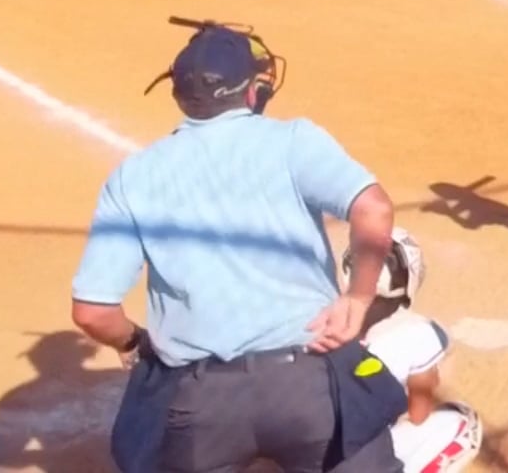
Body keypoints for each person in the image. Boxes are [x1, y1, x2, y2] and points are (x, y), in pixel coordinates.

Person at [70, 24, 402, 473]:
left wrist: (133, 342)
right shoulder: (294, 141)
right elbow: (374, 210)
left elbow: (92, 311)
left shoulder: (132, 176)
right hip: (311, 382)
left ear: (178, 95)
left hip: (200, 403)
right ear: (251, 90)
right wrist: (359, 298)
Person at [333, 228, 484, 473]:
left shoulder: (322, 313)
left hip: (297, 447)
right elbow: (418, 414)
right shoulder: (420, 332)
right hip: (352, 460)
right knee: (463, 420)